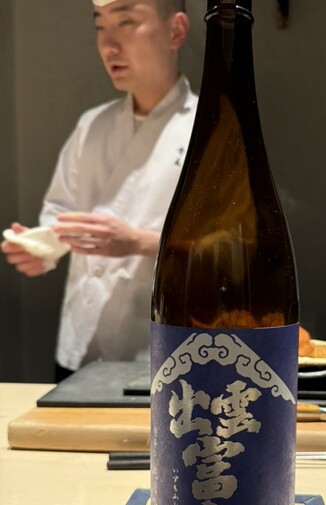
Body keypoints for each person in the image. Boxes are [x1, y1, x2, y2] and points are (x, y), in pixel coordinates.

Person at [1, 0, 197, 382]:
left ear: (176, 31)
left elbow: (229, 248)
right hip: (79, 341)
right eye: (100, 26)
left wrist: (138, 242)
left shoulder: (209, 130)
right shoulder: (92, 125)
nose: (109, 45)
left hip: (159, 351)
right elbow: (59, 211)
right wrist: (43, 246)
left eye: (126, 21)